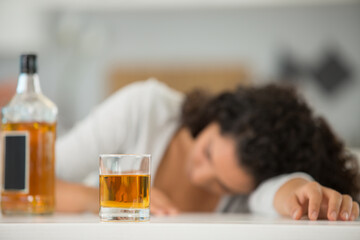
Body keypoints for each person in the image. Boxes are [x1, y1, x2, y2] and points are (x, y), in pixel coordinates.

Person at [55, 79, 360, 221]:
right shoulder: (144, 109)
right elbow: (33, 180)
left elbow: (277, 193)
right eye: (208, 153)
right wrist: (109, 199)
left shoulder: (253, 191)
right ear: (217, 113)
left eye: (222, 184)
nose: (199, 176)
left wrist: (301, 187)